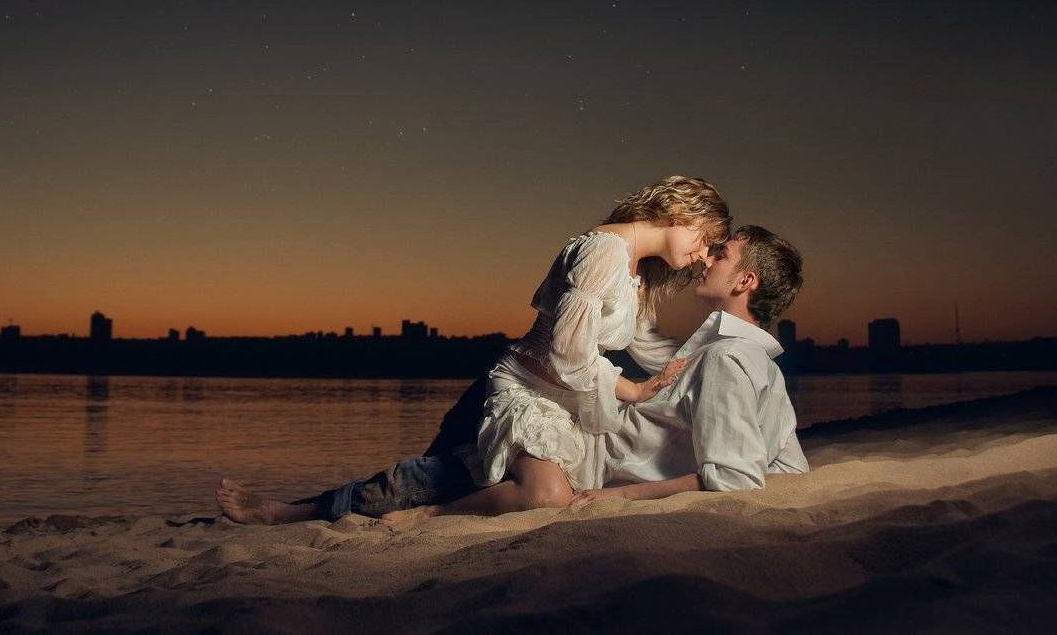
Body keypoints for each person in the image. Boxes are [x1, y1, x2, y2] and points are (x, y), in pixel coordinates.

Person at [217, 176, 730, 524]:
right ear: (681, 212)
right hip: (522, 393)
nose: (703, 256)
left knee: (439, 478)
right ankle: (290, 512)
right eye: (706, 240)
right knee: (438, 481)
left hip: (561, 402)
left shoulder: (634, 271)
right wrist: (631, 390)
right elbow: (567, 352)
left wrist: (720, 358)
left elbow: (647, 343)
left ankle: (309, 511)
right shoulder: (603, 252)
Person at [567, 223, 808, 509]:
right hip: (590, 440)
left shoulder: (724, 358)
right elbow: (791, 467)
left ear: (745, 281)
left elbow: (734, 477)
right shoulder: (767, 369)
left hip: (584, 458)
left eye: (721, 256)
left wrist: (623, 495)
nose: (707, 260)